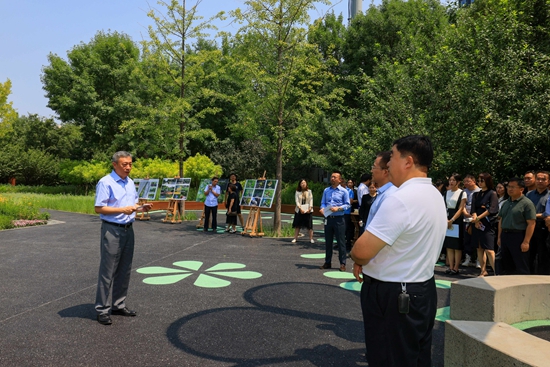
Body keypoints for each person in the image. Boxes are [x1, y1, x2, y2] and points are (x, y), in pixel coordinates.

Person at [351, 135, 446, 367]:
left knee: (388, 357)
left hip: (393, 295)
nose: (388, 164)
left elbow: (361, 252)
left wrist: (357, 251)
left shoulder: (401, 199)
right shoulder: (434, 194)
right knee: (417, 356)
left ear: (408, 161)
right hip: (422, 288)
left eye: (392, 156)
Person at [94, 151, 152, 325]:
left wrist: (141, 208)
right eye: (124, 164)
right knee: (108, 271)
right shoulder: (106, 182)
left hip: (128, 229)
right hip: (112, 230)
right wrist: (122, 210)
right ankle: (102, 309)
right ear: (114, 165)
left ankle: (118, 305)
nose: (128, 167)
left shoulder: (130, 183)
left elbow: (130, 206)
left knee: (125, 269)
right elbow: (99, 208)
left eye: (130, 164)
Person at [497, 177, 536, 275]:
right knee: (506, 265)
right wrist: (499, 237)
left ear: (521, 189)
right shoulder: (506, 202)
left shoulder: (527, 203)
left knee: (521, 266)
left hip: (519, 236)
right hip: (505, 236)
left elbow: (531, 223)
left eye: (513, 187)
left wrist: (526, 242)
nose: (510, 189)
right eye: (509, 187)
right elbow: (501, 220)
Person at [319, 171, 350, 272]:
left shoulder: (344, 191)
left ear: (339, 180)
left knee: (341, 242)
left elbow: (347, 204)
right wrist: (322, 208)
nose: (332, 178)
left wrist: (339, 208)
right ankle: (327, 262)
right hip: (328, 219)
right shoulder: (326, 190)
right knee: (328, 242)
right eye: (331, 177)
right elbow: (323, 203)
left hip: (339, 219)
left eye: (334, 177)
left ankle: (342, 263)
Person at [470, 173, 499, 276]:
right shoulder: (476, 194)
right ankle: (483, 270)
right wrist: (476, 219)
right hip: (477, 223)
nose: (480, 183)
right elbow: (473, 208)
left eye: (482, 180)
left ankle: (496, 272)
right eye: (479, 180)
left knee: (489, 249)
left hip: (487, 223)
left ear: (488, 181)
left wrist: (478, 218)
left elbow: (492, 209)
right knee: (479, 248)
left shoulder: (492, 193)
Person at [525, 171, 550, 274]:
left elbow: (547, 213)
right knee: (529, 254)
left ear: (548, 181)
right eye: (538, 179)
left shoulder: (549, 195)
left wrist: (534, 216)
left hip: (543, 227)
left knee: (543, 255)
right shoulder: (529, 194)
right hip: (529, 227)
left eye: (543, 179)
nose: (540, 181)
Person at [366, 151, 397, 228]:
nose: (371, 171)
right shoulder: (383, 193)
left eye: (374, 167)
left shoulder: (389, 196)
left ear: (385, 172)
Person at [443, 173, 467, 275]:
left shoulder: (462, 193)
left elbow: (461, 208)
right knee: (449, 245)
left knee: (457, 245)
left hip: (456, 219)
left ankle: (456, 267)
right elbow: (443, 206)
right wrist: (446, 219)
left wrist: (452, 220)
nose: (451, 182)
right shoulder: (446, 193)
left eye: (453, 180)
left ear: (458, 182)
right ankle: (450, 266)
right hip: (446, 217)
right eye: (450, 180)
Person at [461, 175, 481, 268]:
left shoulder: (479, 191)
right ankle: (467, 258)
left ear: (474, 181)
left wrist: (474, 215)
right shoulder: (464, 192)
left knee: (477, 239)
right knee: (467, 239)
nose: (466, 183)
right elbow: (463, 205)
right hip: (466, 218)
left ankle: (478, 260)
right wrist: (465, 213)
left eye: (468, 181)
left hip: (476, 218)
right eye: (464, 181)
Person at [291, 179, 314, 243]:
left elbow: (311, 200)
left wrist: (310, 208)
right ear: (300, 184)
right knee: (297, 225)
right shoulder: (297, 192)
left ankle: (311, 238)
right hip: (299, 210)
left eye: (304, 183)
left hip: (308, 210)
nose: (303, 184)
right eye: (302, 183)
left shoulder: (309, 191)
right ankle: (295, 238)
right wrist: (300, 208)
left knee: (309, 225)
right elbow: (297, 201)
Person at [343, 178, 355, 251]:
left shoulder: (349, 191)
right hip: (339, 212)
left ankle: (348, 244)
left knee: (347, 228)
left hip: (346, 212)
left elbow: (350, 201)